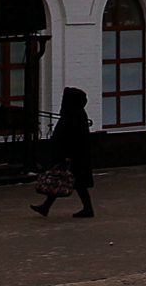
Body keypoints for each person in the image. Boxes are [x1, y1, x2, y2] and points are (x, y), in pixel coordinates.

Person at [32, 87, 95, 220]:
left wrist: (68, 155)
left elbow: (74, 138)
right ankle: (46, 207)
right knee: (61, 180)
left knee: (73, 182)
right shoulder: (73, 113)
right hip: (71, 155)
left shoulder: (75, 115)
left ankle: (88, 209)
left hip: (72, 156)